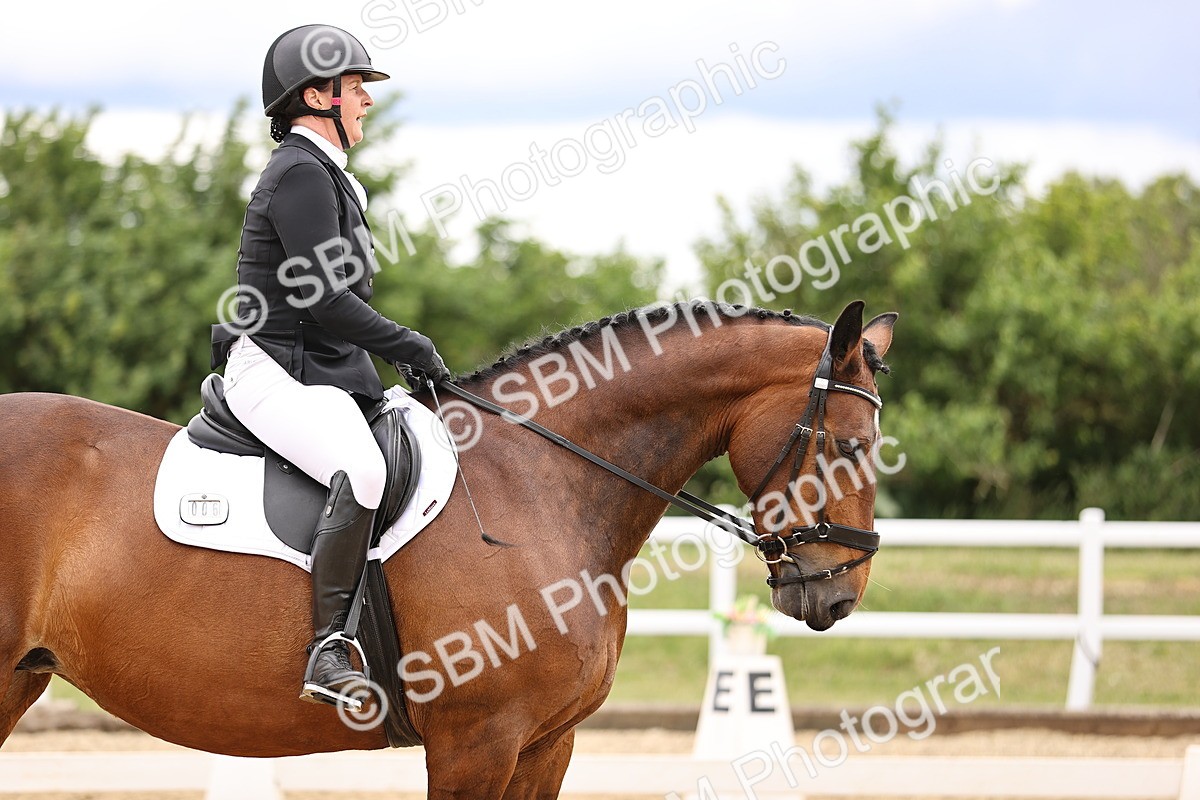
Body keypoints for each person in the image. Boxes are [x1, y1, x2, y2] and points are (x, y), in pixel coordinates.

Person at [210, 24, 450, 708]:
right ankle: (328, 647)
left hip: (315, 367)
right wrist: (412, 346)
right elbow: (327, 303)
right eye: (355, 90)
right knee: (364, 468)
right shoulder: (299, 175)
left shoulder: (329, 177)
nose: (366, 103)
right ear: (316, 96)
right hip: (271, 369)